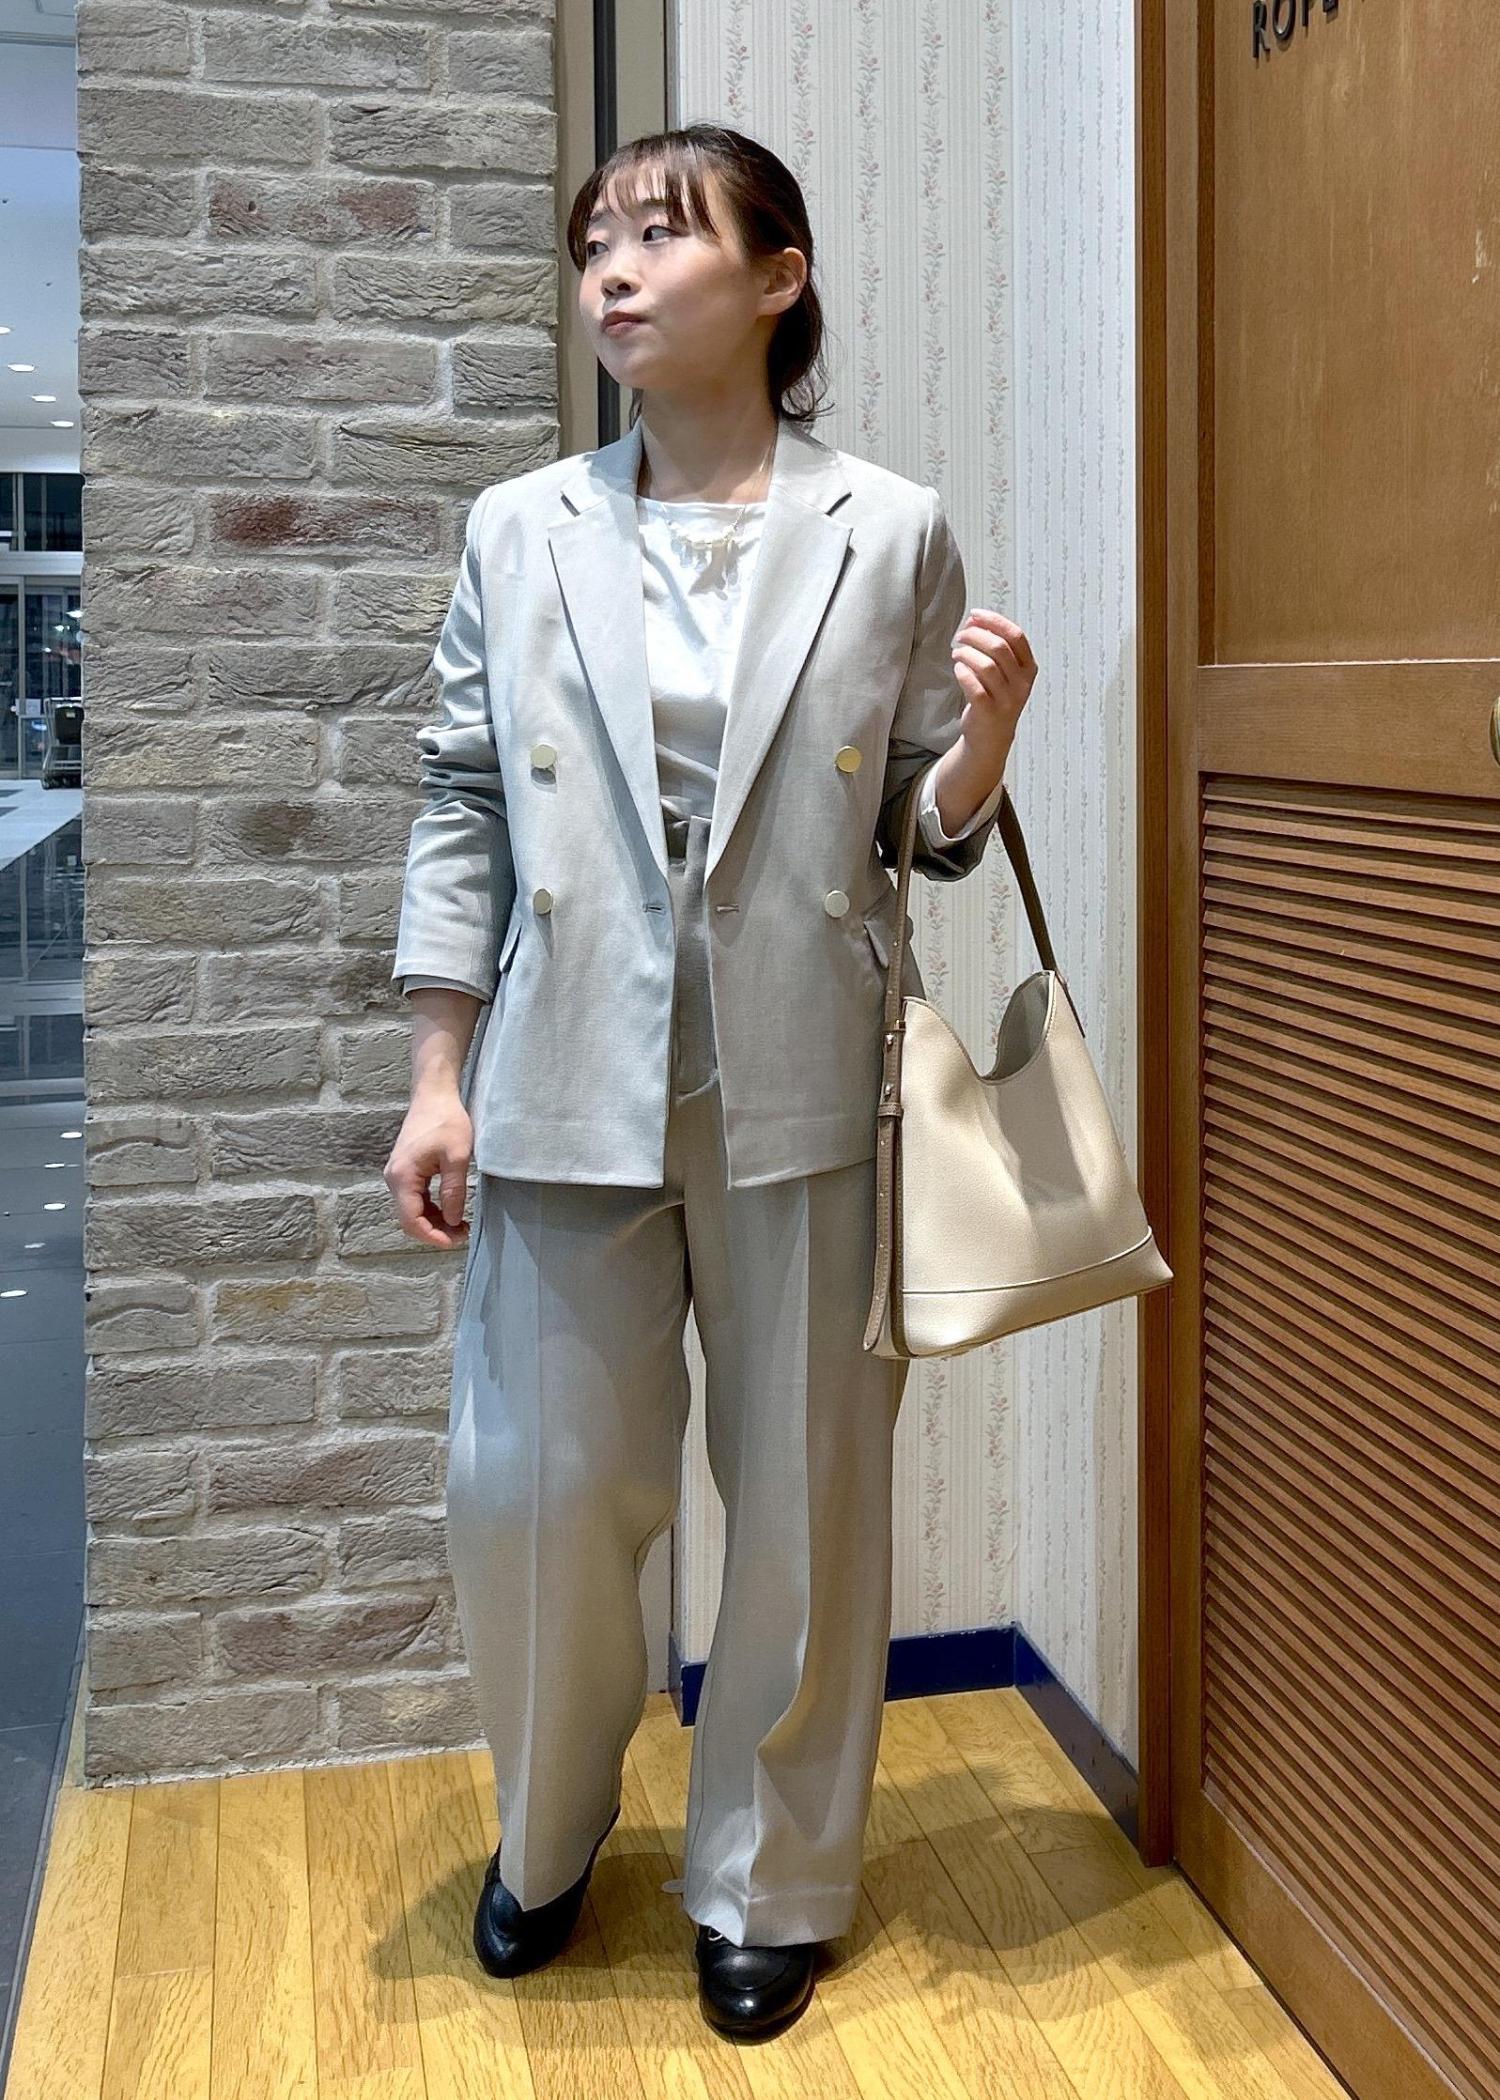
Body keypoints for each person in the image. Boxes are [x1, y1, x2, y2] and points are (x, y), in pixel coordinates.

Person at [383, 122, 1036, 2042]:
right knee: (531, 1485)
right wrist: (437, 1073)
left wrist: (988, 744)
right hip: (564, 1060)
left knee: (807, 1496)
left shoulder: (889, 527)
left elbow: (921, 822)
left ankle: (771, 1878)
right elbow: (459, 799)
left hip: (804, 1067)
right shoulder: (520, 527)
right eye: (595, 238)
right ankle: (553, 1823)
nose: (613, 269)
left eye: (660, 235)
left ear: (777, 278)